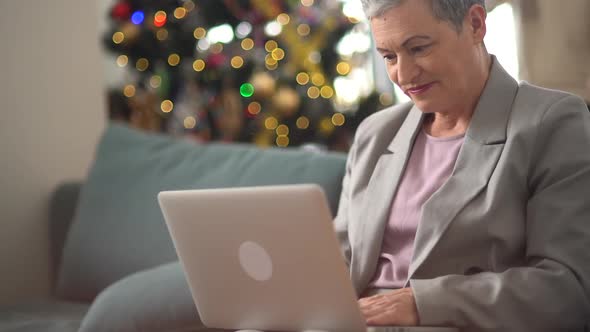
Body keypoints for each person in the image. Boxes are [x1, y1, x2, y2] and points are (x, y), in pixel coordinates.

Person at [333, 0, 590, 331]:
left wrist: (421, 303)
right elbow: (338, 258)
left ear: (475, 24)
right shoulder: (375, 133)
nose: (404, 74)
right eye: (389, 56)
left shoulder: (553, 123)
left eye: (419, 48)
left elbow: (566, 289)